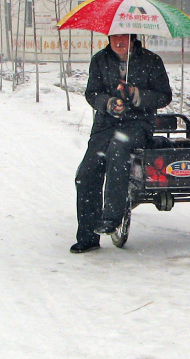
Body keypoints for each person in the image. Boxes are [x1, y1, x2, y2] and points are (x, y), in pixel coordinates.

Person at [71, 33, 172, 253]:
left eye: (124, 38)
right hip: (105, 126)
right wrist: (108, 103)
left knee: (118, 149)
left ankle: (112, 216)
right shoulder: (99, 60)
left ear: (133, 38)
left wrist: (137, 95)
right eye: (114, 37)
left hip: (137, 125)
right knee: (86, 174)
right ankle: (88, 236)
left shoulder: (151, 61)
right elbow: (92, 93)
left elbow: (164, 96)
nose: (119, 42)